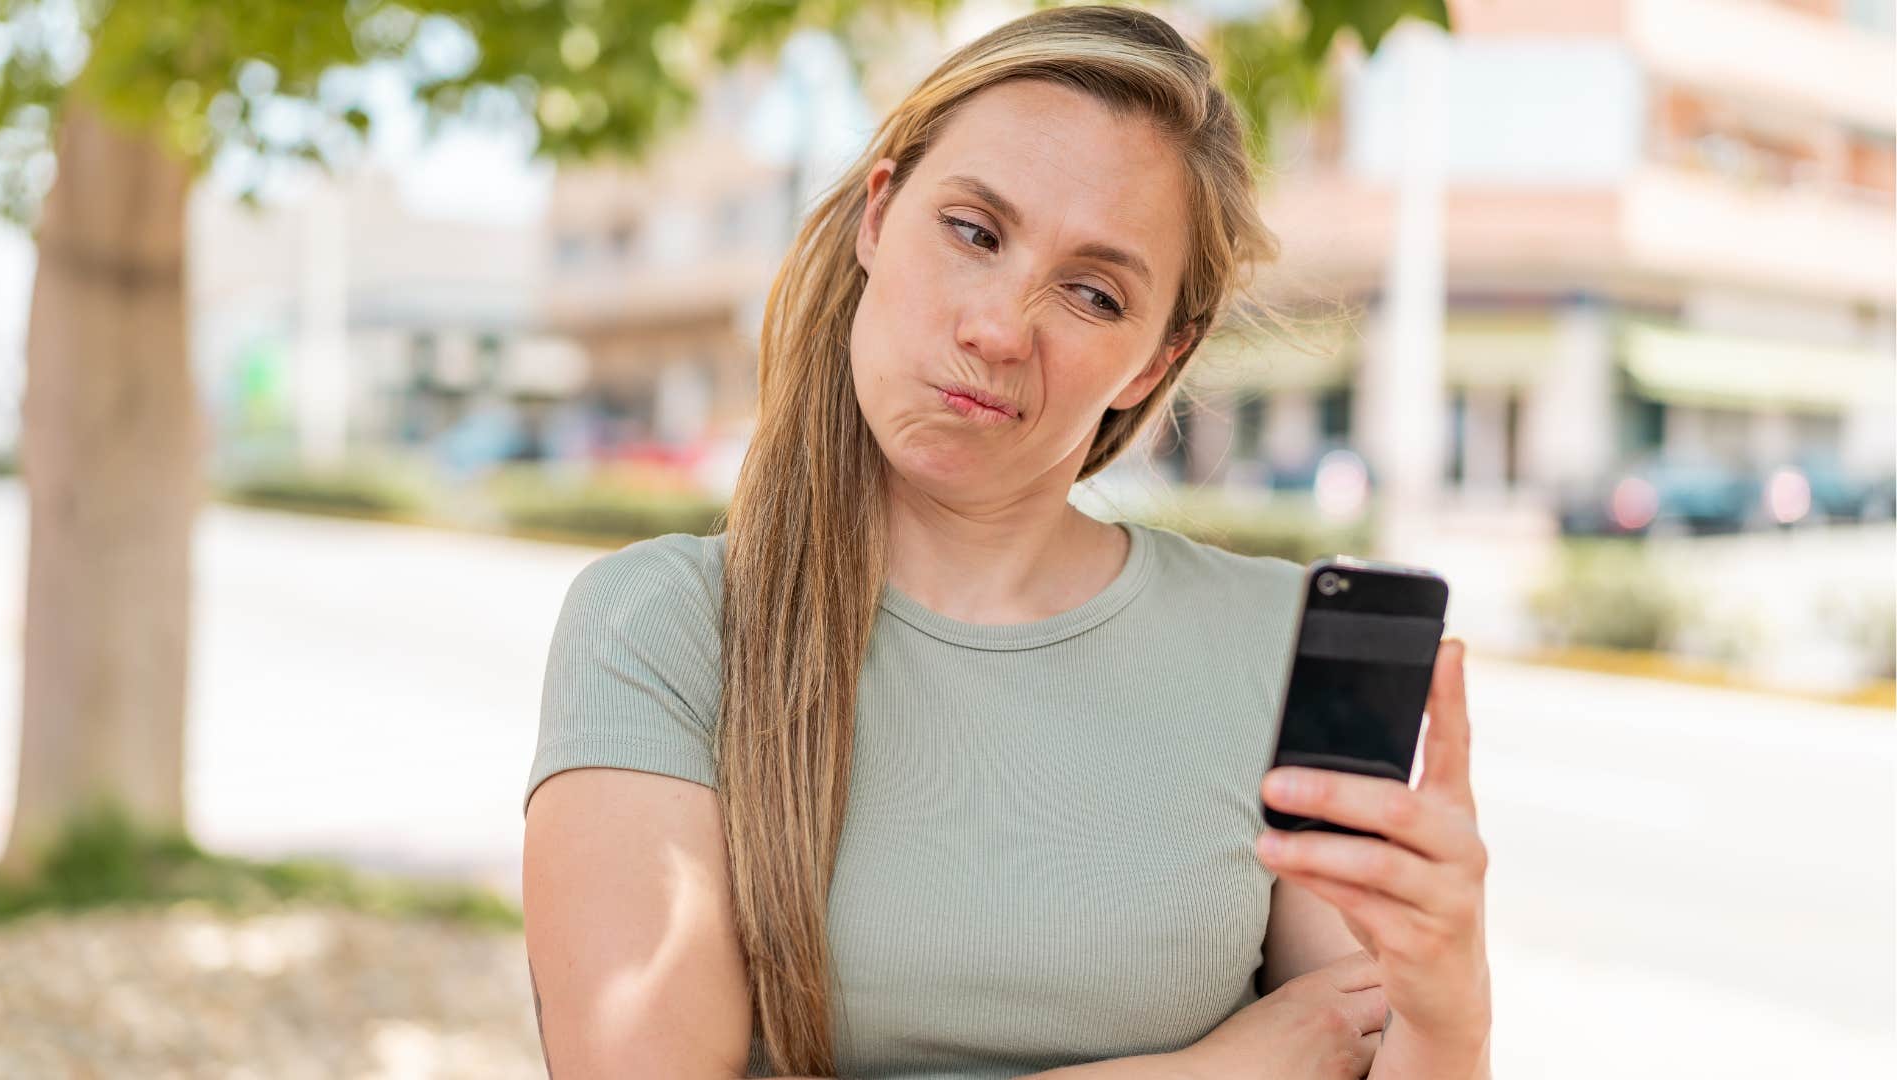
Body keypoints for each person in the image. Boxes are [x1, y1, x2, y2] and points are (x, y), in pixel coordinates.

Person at [521, 5, 1491, 1079]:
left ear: (1152, 363)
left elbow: (1367, 1047)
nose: (997, 328)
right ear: (880, 216)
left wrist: (1450, 1016)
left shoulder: (1276, 643)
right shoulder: (661, 631)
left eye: (1091, 293)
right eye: (975, 232)